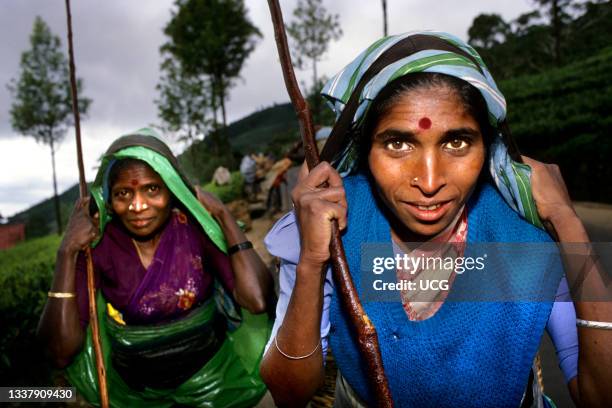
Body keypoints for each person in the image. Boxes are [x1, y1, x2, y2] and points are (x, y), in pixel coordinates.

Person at [259, 32, 612, 407]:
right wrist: (313, 263)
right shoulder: (331, 229)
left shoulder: (522, 233)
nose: (429, 182)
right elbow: (288, 391)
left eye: (457, 142)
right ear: (365, 148)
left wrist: (567, 222)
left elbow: (599, 396)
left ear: (486, 144)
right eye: (398, 144)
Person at [38, 128, 273, 407]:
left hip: (215, 380)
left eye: (152, 189)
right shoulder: (99, 248)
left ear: (171, 191)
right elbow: (59, 352)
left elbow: (257, 300)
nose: (137, 206)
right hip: (135, 393)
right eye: (123, 193)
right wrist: (66, 252)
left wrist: (222, 215)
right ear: (110, 202)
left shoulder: (195, 231)